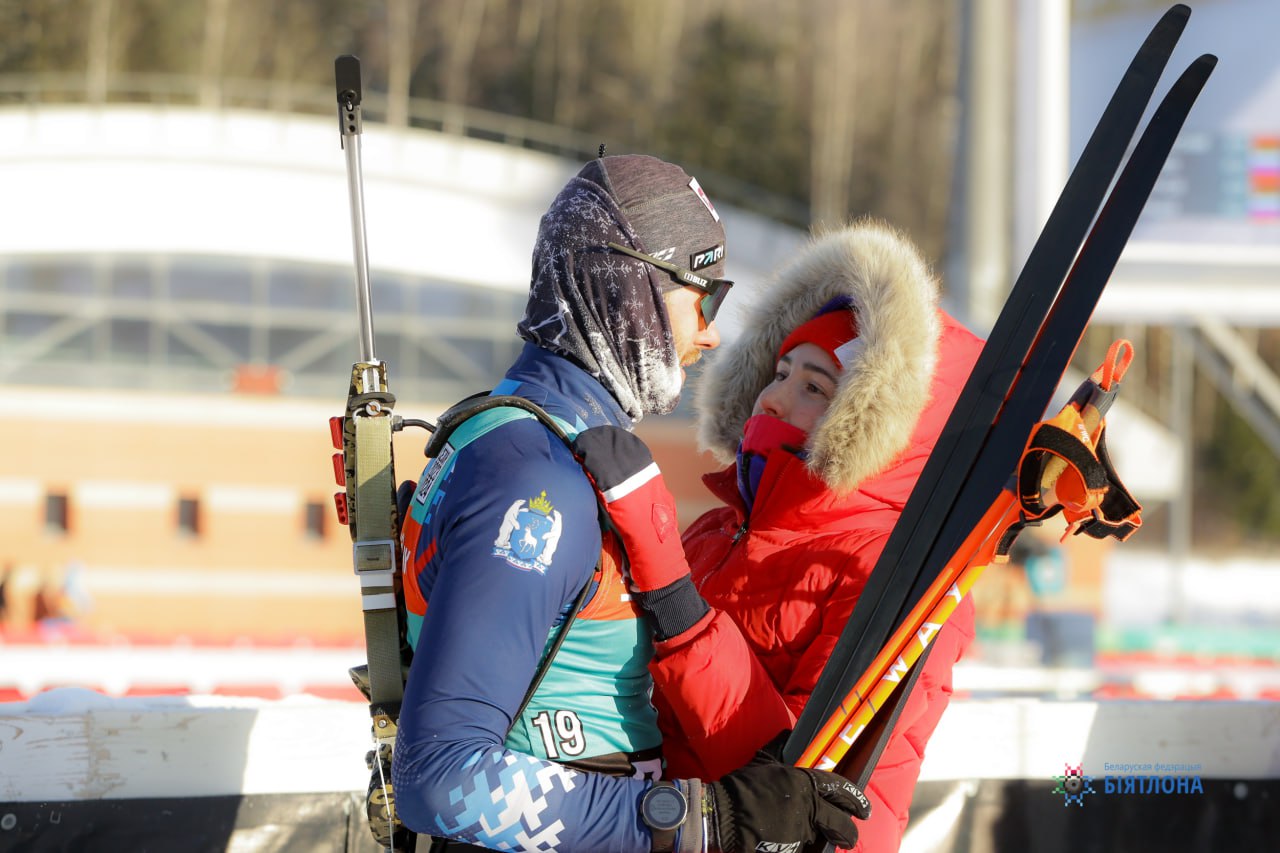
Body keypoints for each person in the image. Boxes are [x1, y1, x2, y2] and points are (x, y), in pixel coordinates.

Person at [393, 155, 871, 853]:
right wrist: (698, 821)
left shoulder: (527, 440)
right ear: (629, 286)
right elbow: (440, 776)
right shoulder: (537, 479)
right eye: (703, 296)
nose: (709, 333)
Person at [590, 220, 986, 852]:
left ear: (872, 424)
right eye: (779, 372)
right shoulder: (717, 530)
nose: (771, 399)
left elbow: (792, 782)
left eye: (813, 386)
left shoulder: (893, 570)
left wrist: (673, 597)